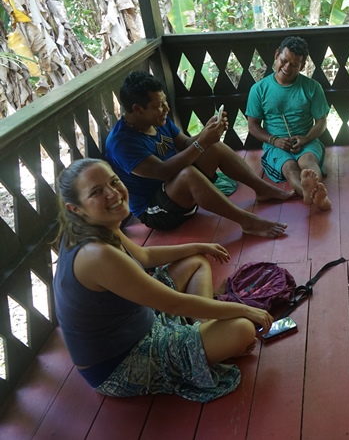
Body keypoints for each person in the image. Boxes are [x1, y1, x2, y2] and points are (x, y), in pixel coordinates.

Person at [53, 158, 274, 402]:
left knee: (195, 260)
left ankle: (205, 328)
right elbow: (175, 304)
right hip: (123, 362)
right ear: (76, 208)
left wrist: (198, 246)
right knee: (243, 328)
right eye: (96, 192)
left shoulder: (95, 226)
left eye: (114, 182)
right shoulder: (95, 255)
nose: (112, 193)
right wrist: (245, 310)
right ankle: (208, 335)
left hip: (142, 319)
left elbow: (145, 256)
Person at [105, 70, 294, 238]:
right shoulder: (121, 143)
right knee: (188, 174)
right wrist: (202, 141)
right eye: (159, 106)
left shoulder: (156, 119)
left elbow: (185, 143)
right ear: (138, 109)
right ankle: (247, 222)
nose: (166, 109)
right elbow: (163, 172)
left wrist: (206, 133)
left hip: (178, 190)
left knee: (214, 147)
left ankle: (263, 189)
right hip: (157, 211)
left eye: (164, 102)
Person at [246, 36, 332, 211]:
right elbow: (252, 126)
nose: (287, 68)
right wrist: (274, 140)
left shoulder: (312, 87)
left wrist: (306, 139)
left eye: (294, 65)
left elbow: (321, 122)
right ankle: (312, 194)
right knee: (289, 168)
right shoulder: (259, 89)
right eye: (284, 61)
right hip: (275, 144)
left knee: (308, 162)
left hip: (306, 141)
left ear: (302, 65)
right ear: (276, 55)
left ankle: (310, 190)